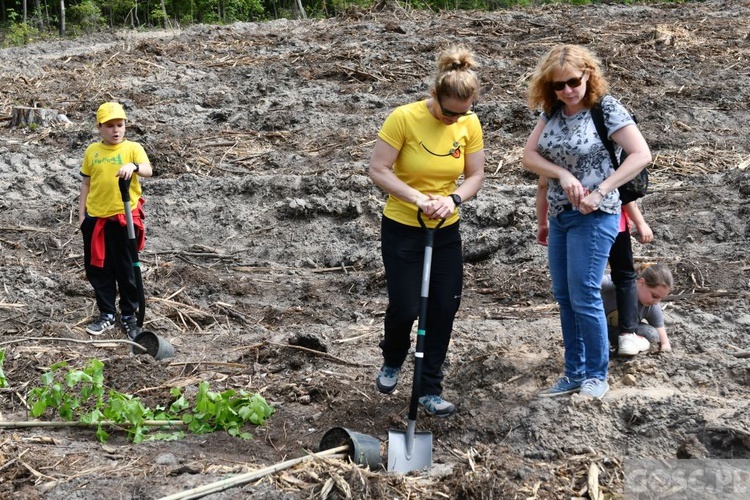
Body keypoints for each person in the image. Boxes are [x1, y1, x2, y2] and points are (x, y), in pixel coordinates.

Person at [522, 44, 652, 399]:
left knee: (584, 294)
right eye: (558, 85)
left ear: (588, 76)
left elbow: (641, 154)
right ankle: (574, 373)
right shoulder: (552, 112)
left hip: (597, 215)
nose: (567, 90)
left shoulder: (605, 108)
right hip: (562, 214)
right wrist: (561, 174)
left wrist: (602, 190)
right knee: (565, 296)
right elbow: (529, 155)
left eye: (573, 82)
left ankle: (597, 375)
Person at [368, 45, 485, 417]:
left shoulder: (469, 124)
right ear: (434, 96)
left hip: (446, 230)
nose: (453, 120)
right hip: (404, 228)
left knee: (442, 309)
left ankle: (428, 388)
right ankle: (392, 357)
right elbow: (379, 170)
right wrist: (418, 198)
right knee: (405, 306)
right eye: (448, 112)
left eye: (462, 113)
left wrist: (454, 200)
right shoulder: (403, 118)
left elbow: (476, 174)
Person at [536, 177, 655, 353]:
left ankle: (586, 344)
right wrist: (640, 222)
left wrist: (542, 222)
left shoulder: (555, 153)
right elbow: (621, 189)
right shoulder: (605, 153)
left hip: (569, 222)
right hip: (610, 221)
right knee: (622, 276)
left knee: (581, 285)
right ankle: (625, 336)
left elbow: (543, 185)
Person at [79, 102, 153, 339]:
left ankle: (129, 315)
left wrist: (133, 166)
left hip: (124, 219)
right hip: (96, 218)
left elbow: (148, 170)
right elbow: (86, 183)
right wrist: (82, 216)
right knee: (98, 268)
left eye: (119, 125)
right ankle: (107, 314)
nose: (115, 130)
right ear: (100, 127)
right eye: (109, 126)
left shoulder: (132, 149)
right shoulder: (93, 151)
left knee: (127, 268)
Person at [602, 263, 674, 355]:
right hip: (596, 328)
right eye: (654, 296)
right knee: (603, 347)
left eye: (661, 298)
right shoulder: (615, 283)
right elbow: (588, 283)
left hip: (620, 334)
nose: (656, 302)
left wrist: (665, 349)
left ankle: (619, 348)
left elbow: (663, 339)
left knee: (651, 334)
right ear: (641, 282)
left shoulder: (652, 306)